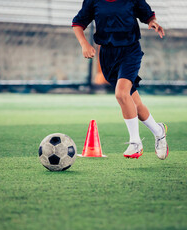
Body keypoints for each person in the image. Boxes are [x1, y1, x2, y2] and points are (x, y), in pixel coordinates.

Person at [72, 0, 168, 159]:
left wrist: (153, 22)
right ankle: (159, 132)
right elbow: (78, 23)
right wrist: (84, 44)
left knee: (121, 94)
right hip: (107, 57)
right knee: (135, 104)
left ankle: (135, 143)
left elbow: (148, 15)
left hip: (130, 52)